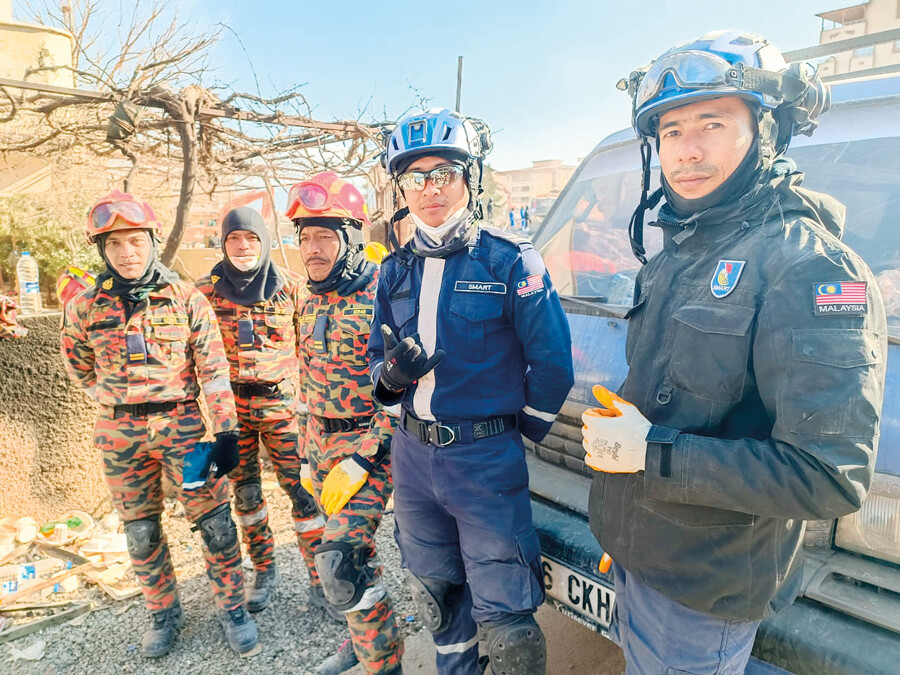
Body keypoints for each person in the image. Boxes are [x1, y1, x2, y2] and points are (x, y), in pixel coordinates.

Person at [581, 31, 886, 674]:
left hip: (704, 595)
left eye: (711, 124)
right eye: (670, 133)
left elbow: (829, 475)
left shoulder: (809, 266)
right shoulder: (679, 256)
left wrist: (649, 452)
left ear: (765, 131)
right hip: (641, 559)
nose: (686, 153)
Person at [369, 108, 574, 675]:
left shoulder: (510, 260)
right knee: (437, 601)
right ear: (401, 187)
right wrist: (390, 380)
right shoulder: (393, 271)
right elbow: (374, 370)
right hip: (412, 461)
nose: (430, 190)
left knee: (509, 628)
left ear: (469, 179)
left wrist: (509, 433)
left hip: (483, 462)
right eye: (415, 177)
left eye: (444, 174)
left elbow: (553, 365)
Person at [60, 191, 258, 657]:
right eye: (114, 245)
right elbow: (79, 364)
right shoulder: (85, 307)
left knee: (215, 523)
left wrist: (226, 431)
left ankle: (233, 608)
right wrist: (113, 399)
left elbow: (213, 368)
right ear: (102, 251)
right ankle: (163, 612)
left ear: (151, 242)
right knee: (141, 531)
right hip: (120, 439)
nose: (126, 253)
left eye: (135, 241)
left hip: (185, 431)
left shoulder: (186, 298)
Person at [286, 172, 403, 675]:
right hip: (323, 447)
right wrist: (305, 449)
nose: (312, 249)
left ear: (351, 239)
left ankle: (385, 665)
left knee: (338, 559)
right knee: (351, 558)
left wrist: (365, 454)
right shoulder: (308, 297)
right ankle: (366, 640)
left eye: (325, 237)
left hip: (371, 450)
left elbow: (402, 389)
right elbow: (307, 375)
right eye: (304, 237)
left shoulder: (385, 295)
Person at [196, 207, 324, 614]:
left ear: (264, 241)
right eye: (235, 239)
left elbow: (310, 347)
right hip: (231, 412)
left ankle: (321, 579)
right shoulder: (204, 292)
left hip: (283, 408)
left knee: (304, 494)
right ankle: (264, 570)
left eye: (251, 238)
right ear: (224, 242)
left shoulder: (291, 288)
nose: (243, 246)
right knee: (247, 496)